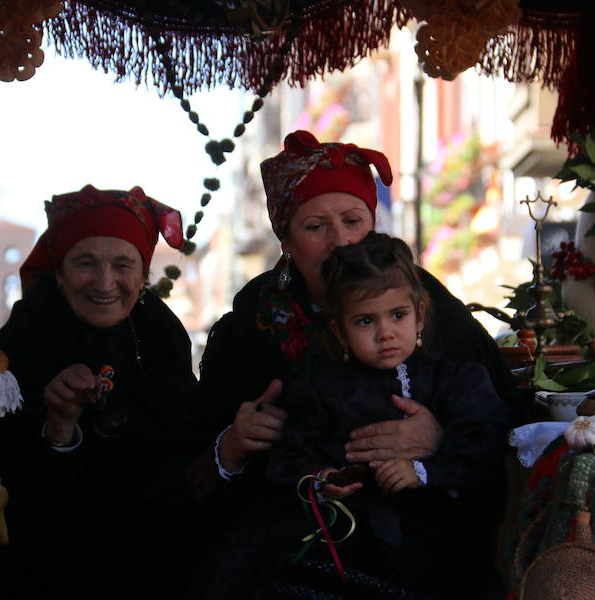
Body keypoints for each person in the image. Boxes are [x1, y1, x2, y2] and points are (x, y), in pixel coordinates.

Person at [188, 130, 517, 595]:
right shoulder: (249, 328)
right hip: (294, 537)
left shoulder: (427, 302)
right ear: (286, 240)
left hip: (425, 531)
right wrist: (234, 444)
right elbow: (196, 470)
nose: (339, 241)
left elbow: (498, 421)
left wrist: (440, 440)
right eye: (315, 226)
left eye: (352, 220)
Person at [267, 232, 509, 598]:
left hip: (442, 541)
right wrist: (323, 479)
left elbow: (483, 447)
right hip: (352, 544)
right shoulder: (322, 392)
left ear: (420, 315)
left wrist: (424, 471)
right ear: (340, 330)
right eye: (365, 321)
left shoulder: (457, 382)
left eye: (398, 315)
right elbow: (291, 455)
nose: (385, 333)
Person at [0, 184, 197, 599]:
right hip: (50, 567)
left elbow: (183, 448)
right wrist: (59, 424)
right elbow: (7, 465)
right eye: (85, 263)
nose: (105, 283)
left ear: (143, 274)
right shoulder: (24, 337)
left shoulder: (161, 335)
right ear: (60, 274)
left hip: (153, 562)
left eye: (123, 264)